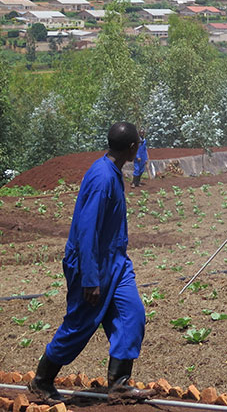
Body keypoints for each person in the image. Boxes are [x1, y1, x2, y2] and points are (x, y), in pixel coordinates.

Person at [29, 122, 153, 404]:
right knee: (79, 325)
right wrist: (90, 278)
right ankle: (42, 380)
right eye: (139, 144)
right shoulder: (101, 178)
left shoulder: (112, 171)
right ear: (133, 148)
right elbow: (86, 231)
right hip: (92, 264)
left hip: (116, 262)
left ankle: (119, 383)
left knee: (131, 313)